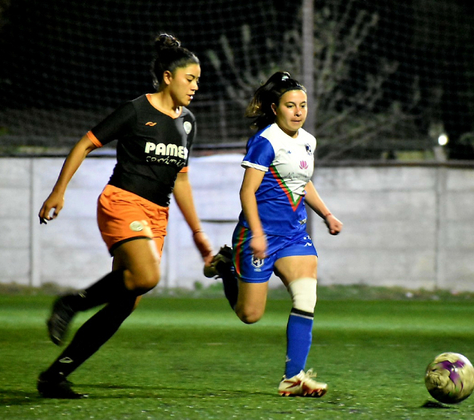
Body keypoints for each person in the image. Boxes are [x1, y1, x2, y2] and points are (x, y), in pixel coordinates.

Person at [37, 33, 213, 399]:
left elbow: (180, 177)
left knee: (125, 302)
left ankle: (55, 376)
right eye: (190, 78)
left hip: (157, 214)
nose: (196, 86)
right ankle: (73, 301)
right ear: (168, 76)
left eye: (198, 79)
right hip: (123, 201)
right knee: (147, 276)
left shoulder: (188, 123)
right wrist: (59, 191)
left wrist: (197, 232)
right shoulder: (136, 110)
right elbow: (86, 142)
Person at [204, 71, 342, 397]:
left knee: (307, 297)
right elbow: (247, 192)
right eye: (291, 105)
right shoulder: (265, 142)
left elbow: (301, 182)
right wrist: (256, 234)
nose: (298, 111)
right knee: (250, 315)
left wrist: (326, 214)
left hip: (294, 235)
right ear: (275, 108)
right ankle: (226, 267)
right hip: (259, 236)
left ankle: (293, 377)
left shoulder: (308, 141)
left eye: (303, 105)